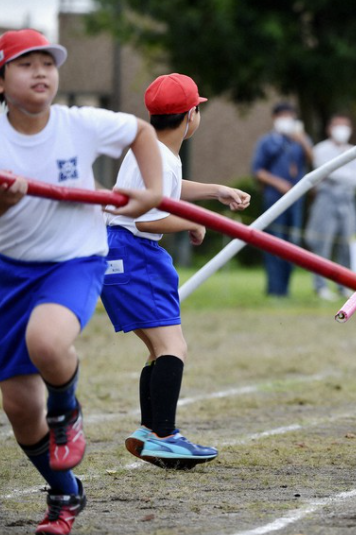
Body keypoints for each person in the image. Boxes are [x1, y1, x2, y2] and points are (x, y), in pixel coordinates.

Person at [0, 29, 163, 535]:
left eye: (48, 62)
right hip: (15, 272)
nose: (41, 71)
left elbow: (140, 131)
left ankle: (67, 411)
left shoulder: (79, 125)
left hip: (75, 261)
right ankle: (64, 491)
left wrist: (151, 191)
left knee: (46, 342)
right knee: (20, 409)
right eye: (26, 65)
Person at [101, 74, 251, 468]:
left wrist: (216, 191)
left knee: (157, 349)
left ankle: (151, 431)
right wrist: (192, 222)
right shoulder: (162, 157)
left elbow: (169, 189)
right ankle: (165, 435)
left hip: (116, 254)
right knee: (173, 348)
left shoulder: (149, 151)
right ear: (191, 116)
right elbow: (149, 220)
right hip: (136, 254)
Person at [251, 103, 313, 296]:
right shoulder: (267, 141)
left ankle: (285, 289)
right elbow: (257, 171)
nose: (287, 119)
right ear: (275, 118)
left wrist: (302, 140)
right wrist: (278, 183)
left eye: (291, 116)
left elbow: (313, 160)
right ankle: (274, 289)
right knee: (274, 242)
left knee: (291, 243)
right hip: (274, 198)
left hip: (296, 200)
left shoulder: (299, 140)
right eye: (283, 115)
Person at [304, 114, 356, 301]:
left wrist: (335, 173)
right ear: (329, 128)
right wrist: (344, 174)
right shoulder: (321, 149)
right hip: (326, 200)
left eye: (345, 126)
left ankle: (344, 285)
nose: (342, 130)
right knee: (322, 244)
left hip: (348, 201)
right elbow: (322, 169)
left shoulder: (355, 150)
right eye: (337, 125)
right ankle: (320, 286)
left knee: (347, 244)